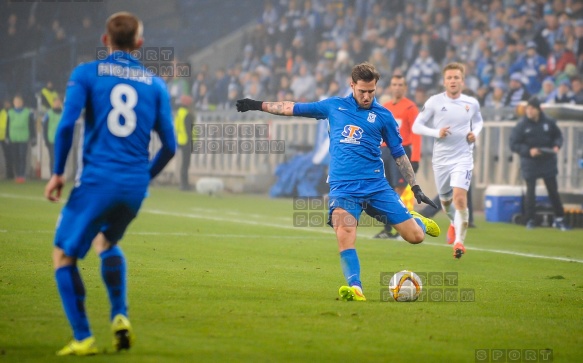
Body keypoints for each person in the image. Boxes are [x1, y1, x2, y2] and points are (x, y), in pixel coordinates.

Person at [236, 62, 439, 302]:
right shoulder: (334, 106)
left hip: (375, 186)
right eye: (362, 90)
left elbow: (398, 153)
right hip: (343, 189)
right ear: (351, 85)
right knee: (345, 232)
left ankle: (418, 222)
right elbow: (292, 108)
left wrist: (414, 186)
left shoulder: (383, 116)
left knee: (415, 237)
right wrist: (256, 105)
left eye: (371, 91)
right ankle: (356, 288)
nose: (366, 96)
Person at [44, 12, 176, 356]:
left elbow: (66, 125)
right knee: (106, 241)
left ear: (105, 41)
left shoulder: (87, 74)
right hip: (133, 188)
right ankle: (119, 315)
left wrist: (57, 172)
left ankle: (83, 337)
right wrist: (143, 177)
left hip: (97, 181)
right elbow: (171, 146)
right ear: (139, 44)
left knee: (62, 255)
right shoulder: (154, 83)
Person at [412, 62, 484, 259]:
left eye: (456, 78)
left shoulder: (471, 103)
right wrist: (437, 132)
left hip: (463, 157)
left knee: (460, 197)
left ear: (462, 81)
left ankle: (459, 242)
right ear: (444, 82)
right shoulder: (435, 102)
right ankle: (453, 222)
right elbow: (417, 127)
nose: (453, 81)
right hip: (441, 160)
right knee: (446, 202)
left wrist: (474, 133)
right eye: (449, 78)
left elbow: (478, 122)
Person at [509, 96, 568, 231]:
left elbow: (558, 136)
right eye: (528, 108)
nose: (529, 111)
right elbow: (513, 144)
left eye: (532, 108)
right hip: (530, 162)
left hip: (548, 161)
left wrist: (556, 146)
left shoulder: (549, 122)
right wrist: (529, 151)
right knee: (531, 192)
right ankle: (530, 219)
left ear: (538, 109)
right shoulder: (521, 125)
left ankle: (560, 219)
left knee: (553, 191)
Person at [374, 74, 422, 239]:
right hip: (383, 151)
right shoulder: (385, 107)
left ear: (405, 87)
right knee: (384, 190)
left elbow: (416, 134)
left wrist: (415, 158)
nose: (397, 87)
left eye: (400, 84)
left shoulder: (410, 108)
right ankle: (389, 229)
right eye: (394, 84)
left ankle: (398, 227)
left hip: (401, 151)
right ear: (390, 87)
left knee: (399, 191)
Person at [7, 94, 36, 183]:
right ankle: (17, 174)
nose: (17, 103)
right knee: (15, 157)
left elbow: (31, 125)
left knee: (22, 156)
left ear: (22, 103)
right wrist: (7, 136)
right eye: (15, 102)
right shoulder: (10, 112)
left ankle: (22, 175)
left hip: (23, 137)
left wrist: (33, 136)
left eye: (19, 102)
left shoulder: (28, 112)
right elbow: (8, 125)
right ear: (13, 103)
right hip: (13, 137)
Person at [174, 95, 194, 191]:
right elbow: (189, 130)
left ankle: (183, 183)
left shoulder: (179, 113)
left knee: (183, 164)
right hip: (187, 141)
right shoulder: (187, 114)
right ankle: (185, 184)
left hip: (180, 140)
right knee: (186, 164)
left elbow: (177, 127)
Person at [41, 96, 62, 173]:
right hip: (51, 139)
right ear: (53, 103)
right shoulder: (48, 113)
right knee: (53, 158)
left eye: (58, 102)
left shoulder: (63, 113)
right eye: (55, 102)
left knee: (60, 158)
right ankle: (53, 175)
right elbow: (44, 127)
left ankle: (59, 174)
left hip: (61, 139)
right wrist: (45, 139)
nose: (57, 103)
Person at [0, 99, 14, 179]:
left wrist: (7, 136)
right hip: (1, 136)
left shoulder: (11, 113)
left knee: (9, 156)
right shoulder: (1, 112)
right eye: (5, 103)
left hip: (8, 137)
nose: (6, 104)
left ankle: (10, 173)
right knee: (6, 156)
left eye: (8, 103)